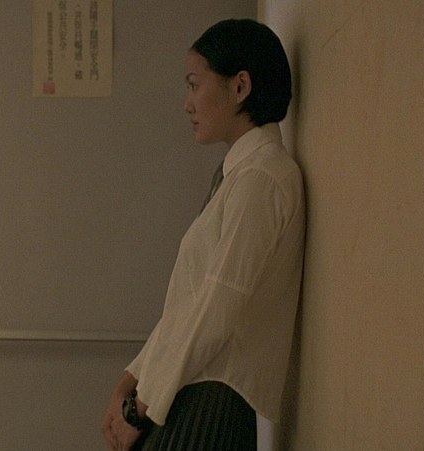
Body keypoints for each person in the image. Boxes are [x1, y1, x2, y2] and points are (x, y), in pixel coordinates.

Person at [101, 19, 304, 451]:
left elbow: (215, 311)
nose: (187, 103)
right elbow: (190, 307)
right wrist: (130, 380)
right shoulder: (239, 175)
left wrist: (140, 407)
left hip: (210, 408)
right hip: (190, 397)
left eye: (194, 85)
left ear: (240, 87)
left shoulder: (263, 178)